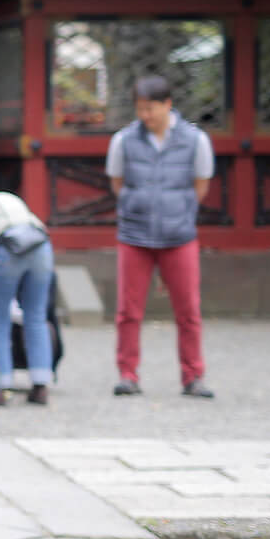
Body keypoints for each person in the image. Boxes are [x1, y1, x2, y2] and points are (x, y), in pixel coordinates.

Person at [108, 74, 215, 398]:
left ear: (168, 105)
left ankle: (193, 375)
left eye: (150, 108)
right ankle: (128, 374)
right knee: (128, 311)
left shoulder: (195, 140)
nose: (145, 115)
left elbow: (201, 185)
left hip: (179, 235)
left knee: (188, 311)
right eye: (140, 109)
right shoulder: (124, 140)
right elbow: (117, 182)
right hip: (134, 235)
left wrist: (177, 211)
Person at [0, 191, 54, 406]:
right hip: (40, 246)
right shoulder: (10, 198)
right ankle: (41, 385)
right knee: (36, 316)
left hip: (8, 248)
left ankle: (1, 385)